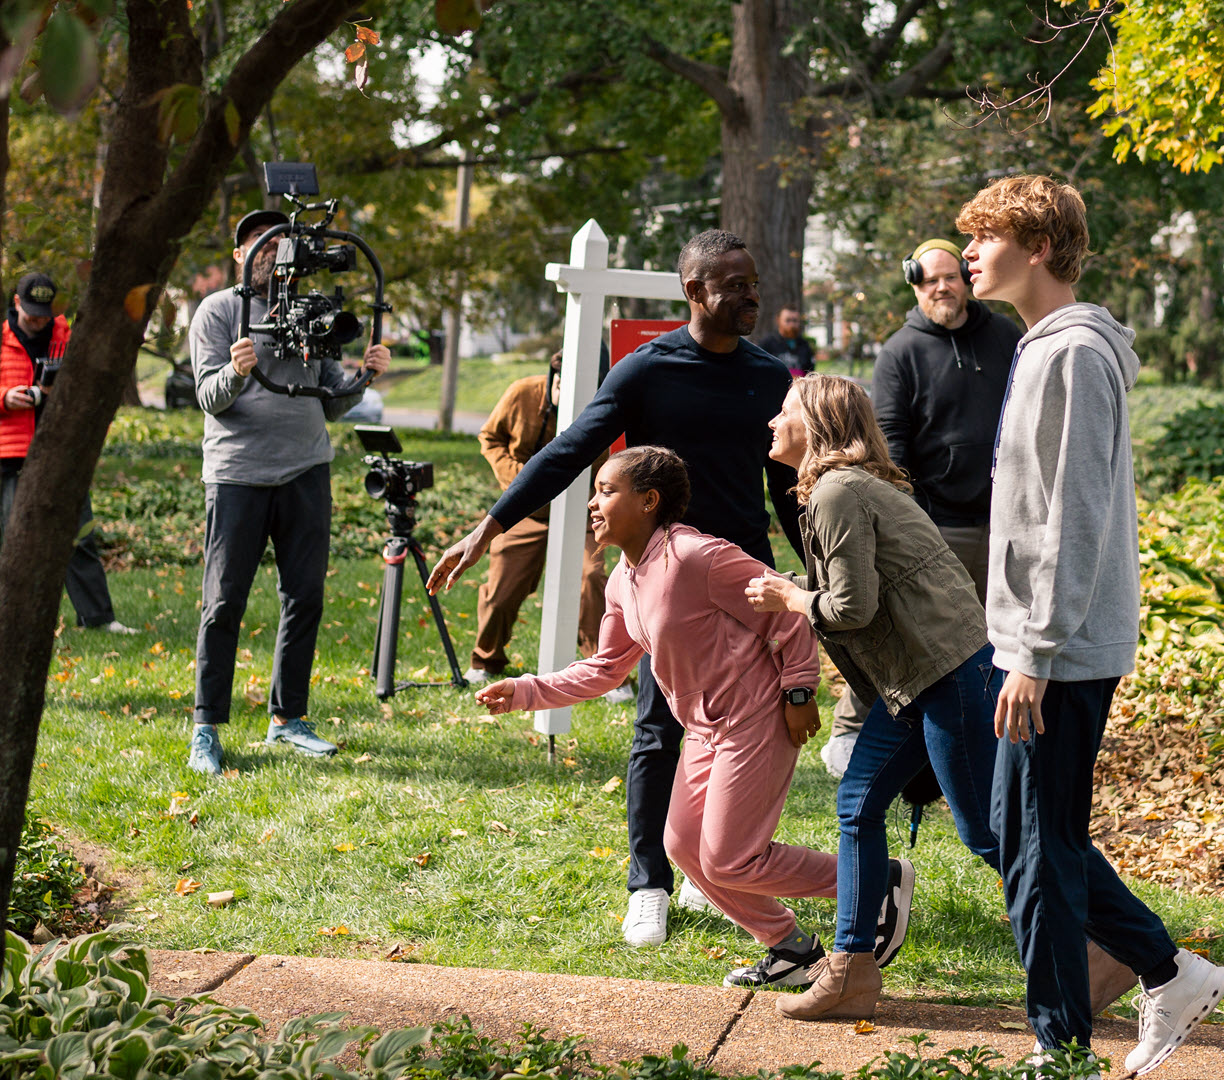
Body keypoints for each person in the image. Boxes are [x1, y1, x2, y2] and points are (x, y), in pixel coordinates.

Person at [428, 230, 806, 955]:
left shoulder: (769, 376)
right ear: (695, 293)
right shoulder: (648, 369)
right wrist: (487, 528)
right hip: (667, 583)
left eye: (753, 281)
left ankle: (711, 871)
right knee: (659, 729)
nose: (751, 294)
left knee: (742, 731)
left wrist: (819, 571)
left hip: (745, 582)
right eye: (734, 284)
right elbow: (569, 449)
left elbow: (785, 489)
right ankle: (648, 885)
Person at [958, 175, 1224, 1074]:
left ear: (1037, 247)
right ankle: (1165, 968)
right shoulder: (1047, 345)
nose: (968, 253)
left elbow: (1070, 515)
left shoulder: (1072, 353)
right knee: (1016, 833)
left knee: (1036, 848)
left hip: (1057, 650)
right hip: (1039, 641)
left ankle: (1060, 1047)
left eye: (985, 236)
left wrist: (1033, 651)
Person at [476, 446, 839, 988]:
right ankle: (790, 948)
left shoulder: (697, 556)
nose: (594, 504)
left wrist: (798, 693)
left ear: (649, 501)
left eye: (606, 491)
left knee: (729, 858)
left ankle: (872, 879)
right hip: (704, 728)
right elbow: (603, 669)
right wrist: (526, 690)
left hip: (757, 715)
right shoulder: (623, 579)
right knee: (683, 847)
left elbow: (783, 614)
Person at [742, 374, 996, 1020]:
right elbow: (861, 587)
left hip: (946, 673)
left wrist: (791, 599)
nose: (773, 422)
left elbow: (852, 607)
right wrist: (795, 585)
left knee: (988, 832)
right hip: (913, 681)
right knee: (857, 805)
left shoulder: (837, 492)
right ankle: (849, 971)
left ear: (816, 426)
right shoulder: (841, 490)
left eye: (785, 412)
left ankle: (1108, 941)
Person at [186, 209, 391, 775]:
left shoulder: (311, 309)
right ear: (240, 255)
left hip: (306, 469)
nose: (272, 251)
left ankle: (288, 719)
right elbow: (208, 397)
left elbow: (329, 400)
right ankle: (206, 726)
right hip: (236, 474)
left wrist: (363, 376)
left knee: (304, 597)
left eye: (279, 241)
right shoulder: (219, 311)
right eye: (259, 242)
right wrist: (236, 370)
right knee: (224, 601)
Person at [814, 239, 1020, 777]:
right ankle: (851, 733)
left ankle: (982, 742)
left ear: (967, 279)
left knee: (987, 640)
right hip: (935, 525)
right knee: (913, 637)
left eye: (951, 277)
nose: (942, 288)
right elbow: (891, 443)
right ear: (915, 285)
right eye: (930, 280)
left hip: (1000, 521)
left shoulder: (1004, 336)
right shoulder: (901, 350)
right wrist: (912, 515)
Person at [464, 352, 614, 693]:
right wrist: (517, 481)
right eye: (560, 384)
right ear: (551, 377)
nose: (565, 393)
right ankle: (485, 660)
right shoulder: (522, 393)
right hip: (525, 511)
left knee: (592, 578)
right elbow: (491, 437)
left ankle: (599, 667)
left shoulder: (607, 408)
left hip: (582, 511)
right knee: (502, 586)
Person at [0, 272, 135, 635]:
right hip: (10, 455)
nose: (39, 320)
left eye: (44, 313)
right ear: (16, 304)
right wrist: (6, 397)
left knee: (79, 537)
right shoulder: (2, 340)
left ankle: (98, 618)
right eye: (31, 313)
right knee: (13, 541)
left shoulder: (67, 335)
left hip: (62, 450)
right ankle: (15, 623)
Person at [758, 306, 815, 377]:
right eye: (788, 320)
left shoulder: (804, 345)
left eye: (795, 320)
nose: (792, 325)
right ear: (778, 320)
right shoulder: (767, 343)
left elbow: (810, 373)